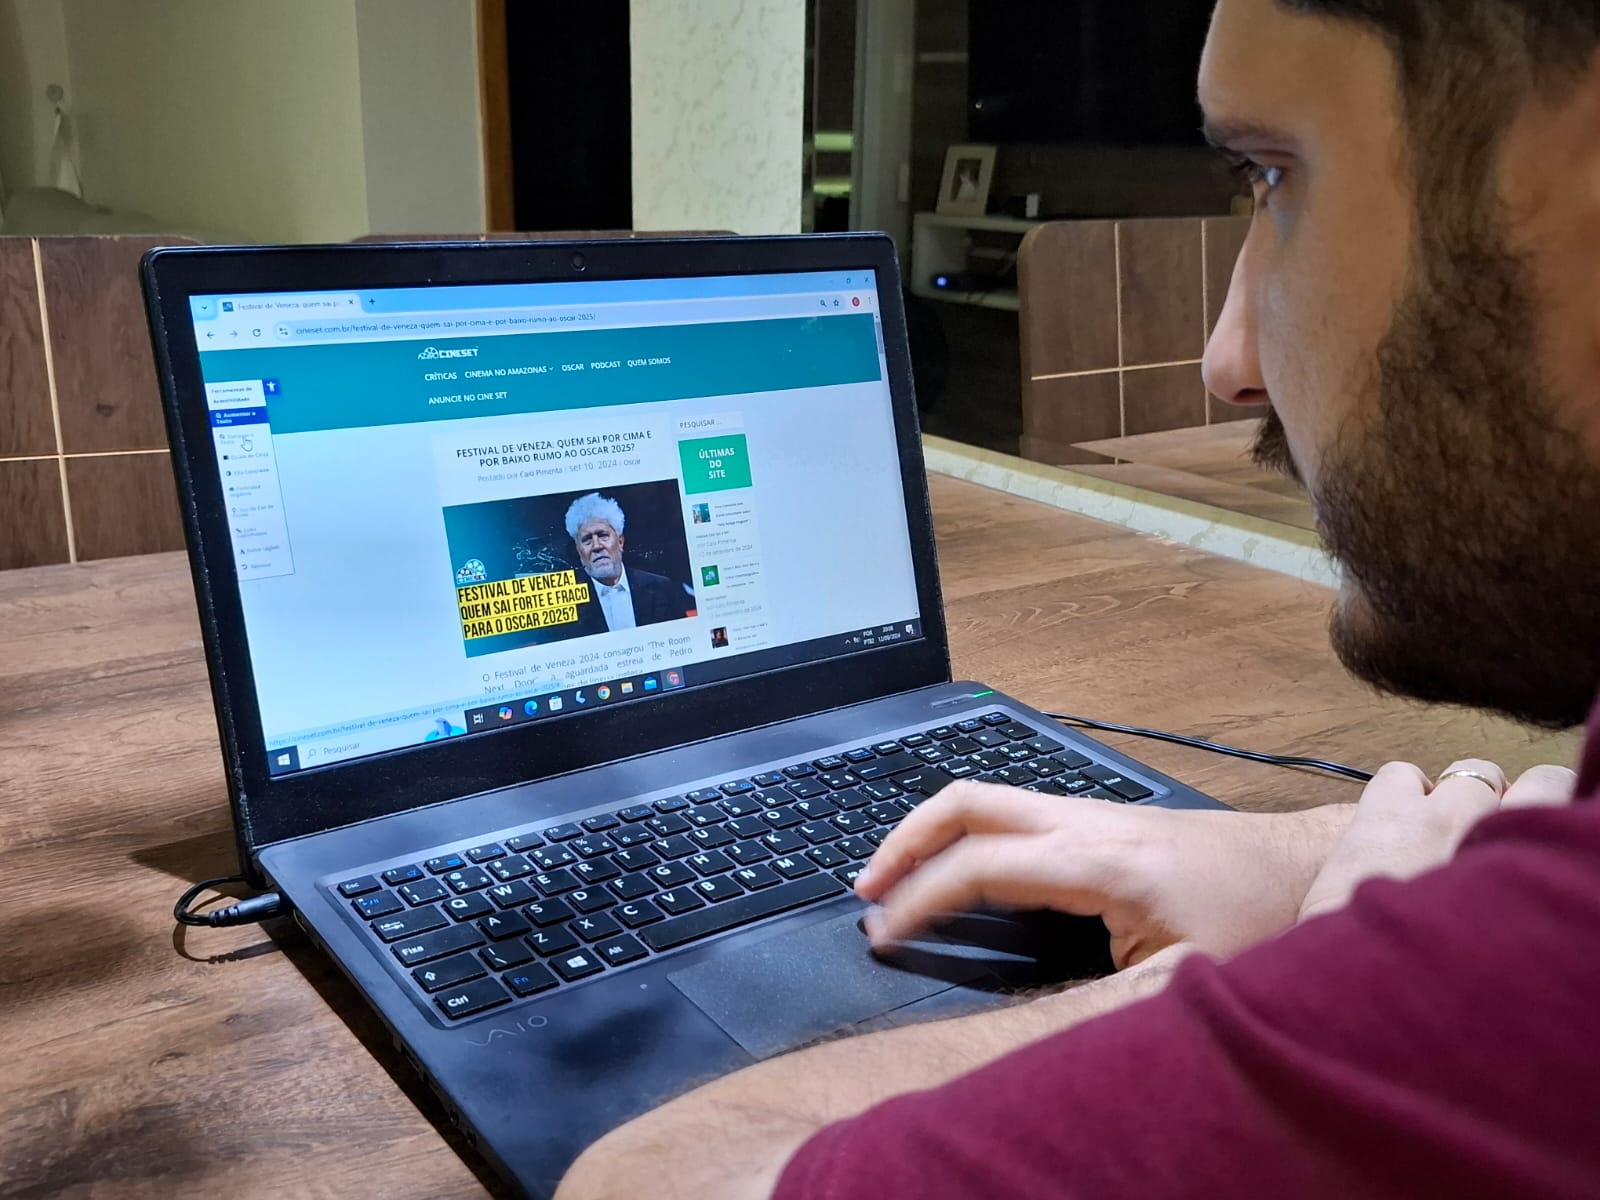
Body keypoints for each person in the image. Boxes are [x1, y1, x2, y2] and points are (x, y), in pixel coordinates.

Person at [557, 1, 1600, 1195]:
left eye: (1274, 175)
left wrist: (1302, 974)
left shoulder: (1522, 991)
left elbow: (645, 1182)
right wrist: (1309, 850)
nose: (1225, 363)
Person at [563, 492, 694, 632]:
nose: (596, 546)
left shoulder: (662, 588)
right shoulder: (567, 602)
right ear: (579, 550)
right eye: (587, 539)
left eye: (603, 535)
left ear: (620, 542)